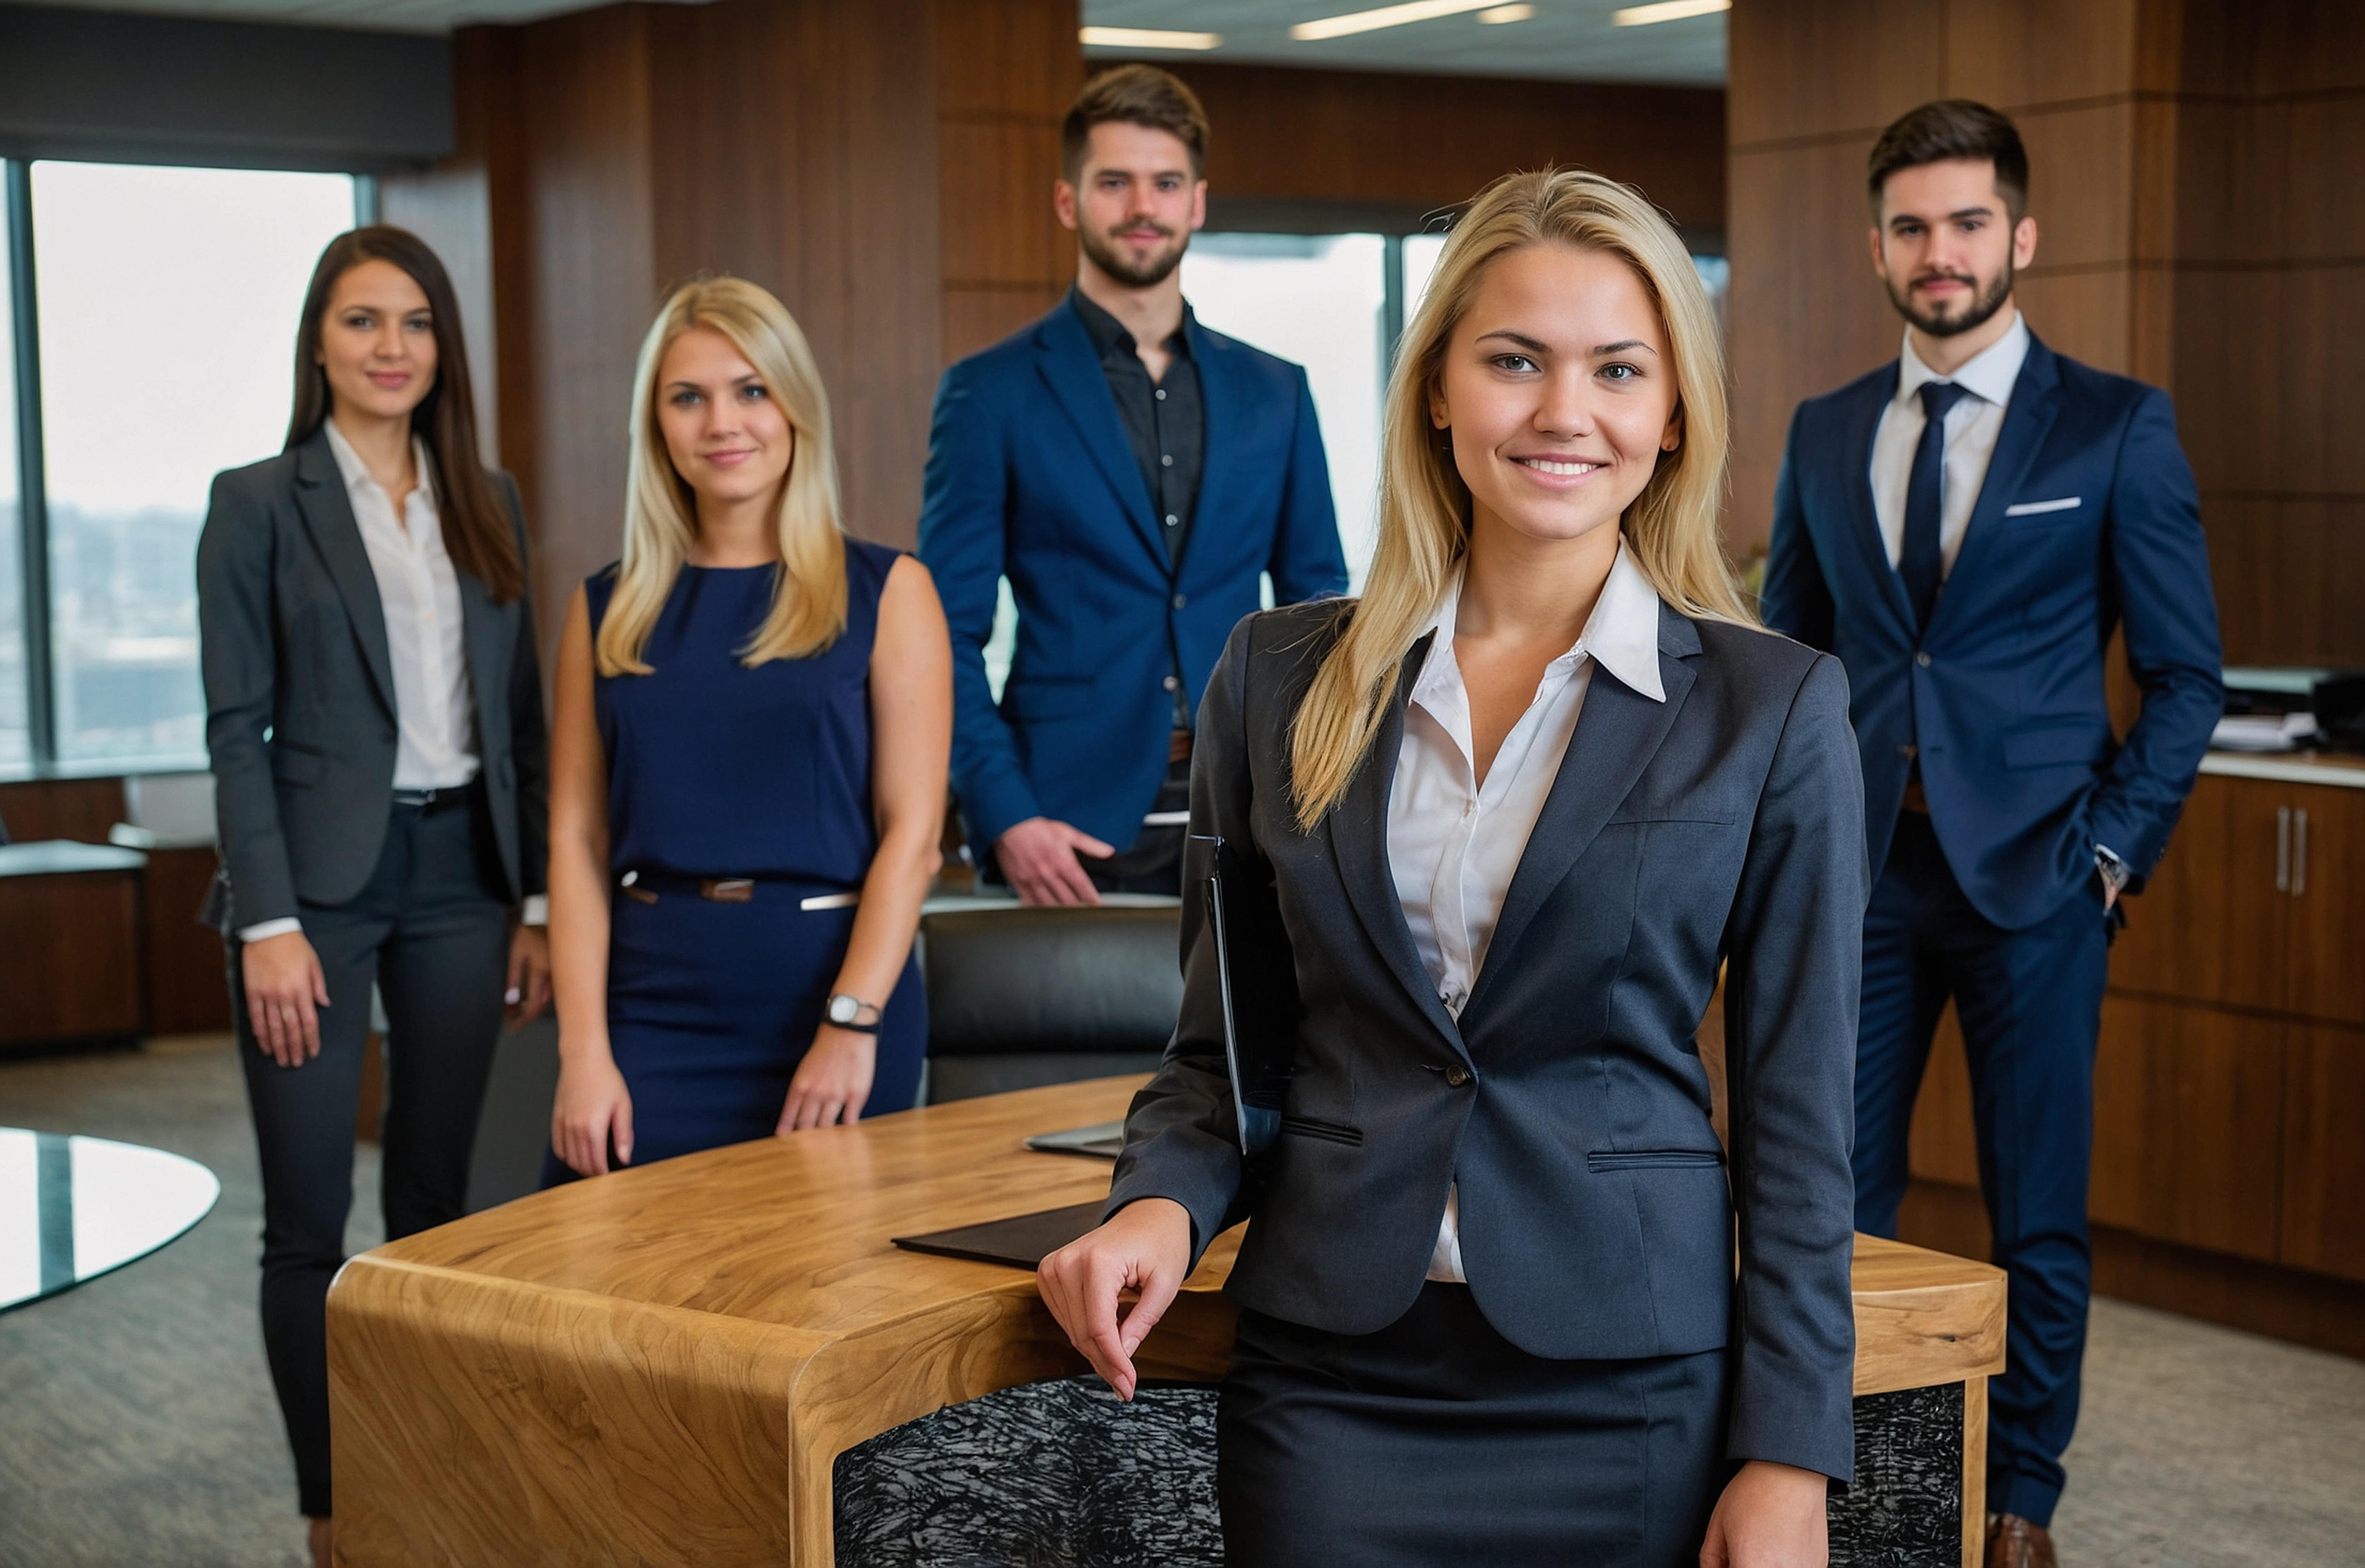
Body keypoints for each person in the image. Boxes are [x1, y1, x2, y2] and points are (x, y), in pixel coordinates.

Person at [1040, 169, 1866, 1568]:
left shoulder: (1773, 710)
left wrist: (1790, 1453)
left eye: (1618, 369)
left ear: (1672, 416)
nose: (1563, 412)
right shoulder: (1278, 677)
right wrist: (1158, 1204)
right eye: (1513, 361)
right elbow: (1224, 1052)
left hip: (1629, 1377)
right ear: (1436, 390)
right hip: (1335, 1376)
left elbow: (1800, 1127)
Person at [1759, 101, 2222, 1568]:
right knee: (1825, 1191)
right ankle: (1829, 1459)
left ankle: (2021, 1496)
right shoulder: (1828, 430)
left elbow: (2187, 674)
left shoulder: (2114, 425)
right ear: (1877, 247)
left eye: (1967, 224)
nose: (1939, 253)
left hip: (2039, 882)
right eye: (1911, 227)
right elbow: (1792, 658)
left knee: (2038, 1218)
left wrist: (2110, 850)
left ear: (2020, 237)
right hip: (1862, 884)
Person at [197, 225, 552, 1568]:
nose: (391, 346)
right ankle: (335, 1506)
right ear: (319, 342)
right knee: (305, 1217)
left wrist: (527, 903)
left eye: (413, 322)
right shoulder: (255, 503)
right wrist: (268, 923)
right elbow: (238, 731)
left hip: (464, 876)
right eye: (362, 321)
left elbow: (517, 724)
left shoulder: (488, 500)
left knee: (439, 1206)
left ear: (440, 345)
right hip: (317, 899)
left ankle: (431, 1474)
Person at [544, 276, 950, 1182]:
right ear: (657, 426)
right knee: (596, 1294)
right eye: (688, 397)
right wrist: (581, 1053)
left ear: (795, 406)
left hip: (832, 995)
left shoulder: (890, 591)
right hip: (648, 1005)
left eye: (751, 390)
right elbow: (575, 840)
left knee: (809, 1297)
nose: (722, 422)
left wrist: (851, 1024)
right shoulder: (606, 609)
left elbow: (914, 839)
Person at [918, 64, 1347, 905]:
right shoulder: (989, 393)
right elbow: (944, 638)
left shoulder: (1277, 392)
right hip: (1062, 825)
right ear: (1069, 202)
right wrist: (1005, 813)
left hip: (1252, 811)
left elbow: (1319, 616)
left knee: (1245, 1042)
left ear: (1197, 202)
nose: (1141, 206)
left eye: (1165, 183)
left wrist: (1319, 803)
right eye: (1114, 182)